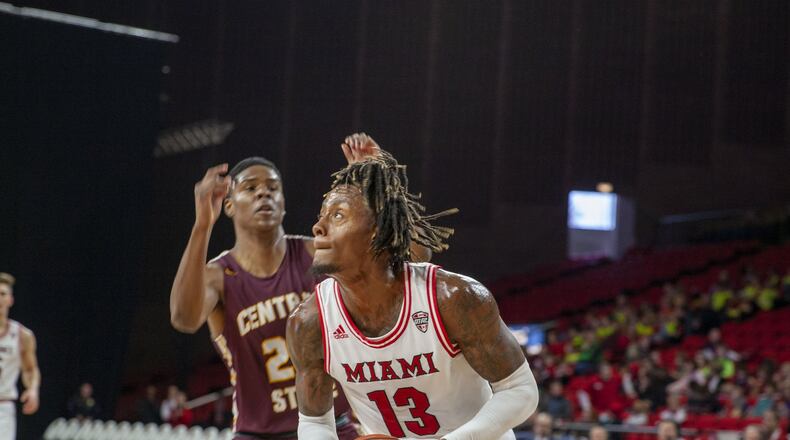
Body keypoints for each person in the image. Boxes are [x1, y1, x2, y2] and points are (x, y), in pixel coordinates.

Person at [287, 149, 539, 439]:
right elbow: (315, 422)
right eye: (322, 217)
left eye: (338, 215)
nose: (318, 227)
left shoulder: (453, 297)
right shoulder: (309, 322)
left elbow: (520, 390)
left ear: (377, 231)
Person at [170, 134, 393, 439]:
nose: (264, 194)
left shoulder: (317, 253)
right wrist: (202, 224)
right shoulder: (218, 276)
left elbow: (397, 259)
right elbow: (183, 319)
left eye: (273, 188)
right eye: (251, 188)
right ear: (230, 205)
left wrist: (376, 187)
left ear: (283, 203)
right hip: (258, 432)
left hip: (332, 425)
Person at [0, 272, 40, 440]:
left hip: (3, 406)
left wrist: (32, 390)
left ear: (10, 299)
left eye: (2, 294)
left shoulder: (23, 335)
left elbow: (30, 369)